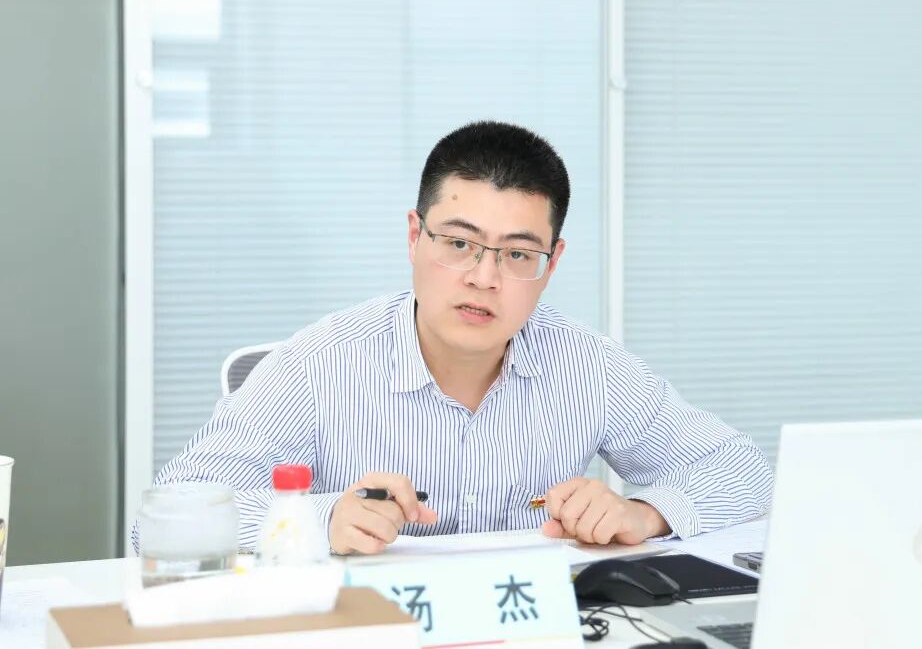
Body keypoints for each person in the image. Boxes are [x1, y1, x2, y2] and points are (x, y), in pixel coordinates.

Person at [148, 120, 773, 555]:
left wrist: (645, 512)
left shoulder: (588, 364)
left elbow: (742, 471)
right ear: (414, 236)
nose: (483, 278)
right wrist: (319, 518)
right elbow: (166, 517)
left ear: (551, 264)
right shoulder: (319, 363)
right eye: (458, 243)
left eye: (517, 254)